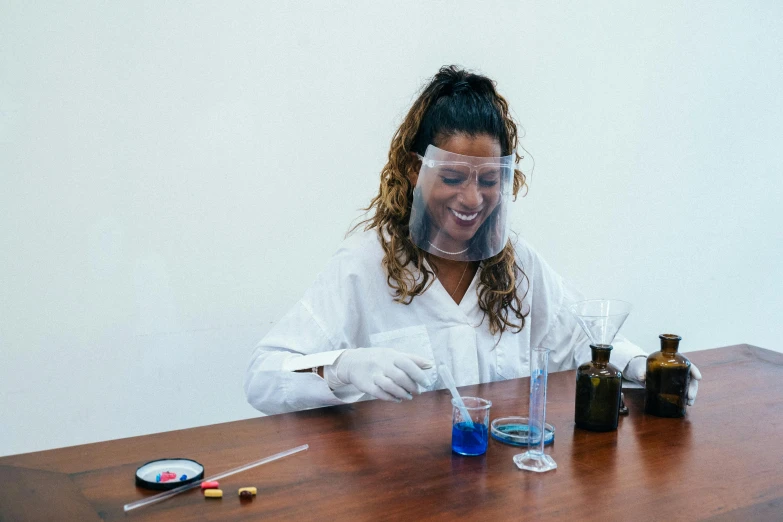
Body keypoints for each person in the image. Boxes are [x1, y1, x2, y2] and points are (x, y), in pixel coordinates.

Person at [244, 65, 701, 415]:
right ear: (413, 170)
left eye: (488, 180)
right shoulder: (364, 265)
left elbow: (578, 344)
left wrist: (641, 365)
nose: (472, 198)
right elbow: (263, 378)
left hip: (499, 486)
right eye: (453, 176)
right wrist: (341, 367)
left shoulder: (518, 264)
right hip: (402, 494)